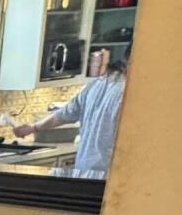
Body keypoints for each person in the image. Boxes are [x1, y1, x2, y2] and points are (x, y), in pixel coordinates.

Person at [14, 50, 128, 179]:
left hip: (83, 169)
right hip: (108, 173)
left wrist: (32, 128)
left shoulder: (95, 85)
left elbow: (63, 114)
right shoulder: (127, 93)